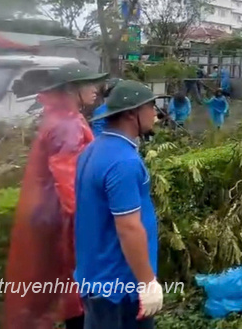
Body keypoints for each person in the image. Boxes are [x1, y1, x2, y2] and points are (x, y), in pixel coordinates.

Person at [3, 63, 107, 329]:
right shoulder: (67, 125)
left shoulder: (62, 118)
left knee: (62, 292)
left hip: (51, 217)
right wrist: (98, 227)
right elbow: (71, 186)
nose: (96, 89)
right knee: (76, 292)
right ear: (72, 89)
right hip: (63, 222)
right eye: (89, 84)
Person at [74, 80, 164, 329]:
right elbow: (128, 228)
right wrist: (147, 283)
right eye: (151, 107)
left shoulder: (93, 149)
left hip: (95, 274)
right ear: (132, 113)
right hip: (120, 285)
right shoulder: (124, 162)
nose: (155, 113)